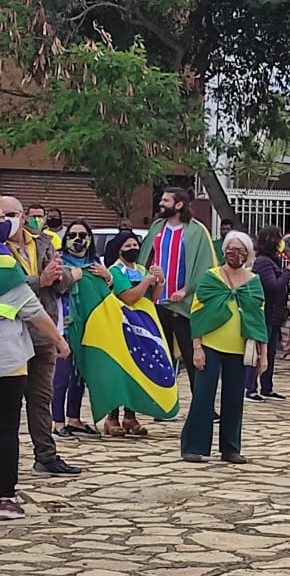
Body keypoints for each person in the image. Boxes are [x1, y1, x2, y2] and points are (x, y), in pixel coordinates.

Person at [0, 195, 81, 477]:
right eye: (0, 216)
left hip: (43, 332)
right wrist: (40, 280)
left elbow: (61, 282)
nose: (5, 221)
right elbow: (12, 287)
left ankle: (46, 456)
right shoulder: (1, 248)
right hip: (12, 337)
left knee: (40, 399)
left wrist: (61, 276)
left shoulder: (43, 242)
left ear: (23, 216)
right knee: (8, 411)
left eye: (10, 215)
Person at [181, 231, 266, 463]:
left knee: (234, 398)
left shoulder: (253, 281)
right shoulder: (211, 277)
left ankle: (230, 448)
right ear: (224, 250)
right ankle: (193, 446)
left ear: (248, 254)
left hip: (239, 349)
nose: (235, 254)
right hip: (210, 346)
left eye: (240, 250)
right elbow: (197, 312)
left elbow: (259, 316)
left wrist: (264, 354)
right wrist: (197, 347)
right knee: (203, 396)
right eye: (231, 249)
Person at [141, 187, 218, 390]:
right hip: (157, 303)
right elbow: (145, 258)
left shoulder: (196, 231)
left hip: (183, 304)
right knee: (159, 357)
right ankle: (164, 401)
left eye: (166, 200)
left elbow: (205, 266)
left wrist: (186, 290)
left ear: (179, 205)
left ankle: (200, 402)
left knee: (191, 356)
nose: (161, 203)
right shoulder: (157, 228)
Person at [52, 220, 113, 439]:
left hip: (89, 327)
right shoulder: (57, 261)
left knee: (79, 375)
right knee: (62, 375)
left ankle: (74, 418)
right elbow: (53, 289)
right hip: (64, 326)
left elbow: (105, 294)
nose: (77, 240)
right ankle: (58, 422)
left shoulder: (94, 263)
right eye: (72, 235)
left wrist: (108, 278)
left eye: (83, 235)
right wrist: (71, 276)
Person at [102, 229, 165, 437]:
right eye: (127, 246)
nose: (133, 249)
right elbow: (128, 296)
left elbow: (152, 297)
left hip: (141, 325)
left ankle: (131, 415)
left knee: (137, 368)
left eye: (135, 245)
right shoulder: (115, 270)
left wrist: (159, 281)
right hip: (121, 325)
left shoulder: (140, 269)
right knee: (120, 370)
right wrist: (147, 282)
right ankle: (112, 417)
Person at [245, 225, 290, 402]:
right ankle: (250, 388)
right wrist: (288, 273)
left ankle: (267, 387)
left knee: (270, 352)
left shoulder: (274, 261)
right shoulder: (263, 262)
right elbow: (272, 286)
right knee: (258, 351)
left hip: (275, 314)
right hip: (264, 313)